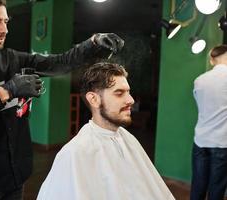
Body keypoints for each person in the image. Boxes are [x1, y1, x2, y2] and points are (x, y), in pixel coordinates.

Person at [0, 0, 125, 199]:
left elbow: (59, 62)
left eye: (6, 21)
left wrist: (92, 43)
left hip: (15, 179)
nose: (4, 29)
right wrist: (5, 92)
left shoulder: (14, 59)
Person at [37, 62, 175, 200]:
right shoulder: (74, 153)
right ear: (94, 99)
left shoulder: (128, 139)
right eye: (119, 93)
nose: (131, 100)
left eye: (128, 92)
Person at [191, 45, 227, 200]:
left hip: (200, 140)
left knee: (198, 185)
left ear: (212, 60)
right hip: (222, 142)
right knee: (216, 188)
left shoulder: (199, 80)